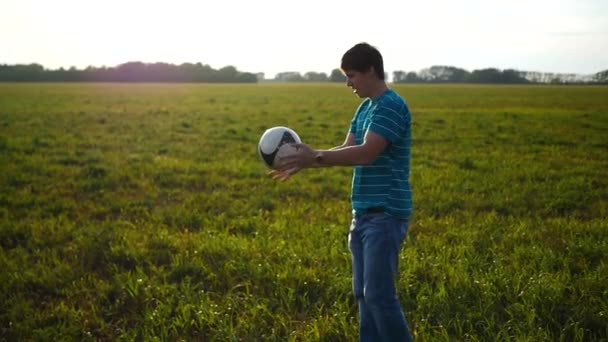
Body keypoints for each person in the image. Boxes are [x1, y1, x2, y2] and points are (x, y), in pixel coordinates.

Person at [271, 42, 414, 341]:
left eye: (351, 75)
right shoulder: (365, 107)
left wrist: (316, 156)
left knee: (378, 295)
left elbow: (367, 153)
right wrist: (307, 162)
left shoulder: (391, 106)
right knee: (363, 295)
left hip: (385, 213)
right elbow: (349, 148)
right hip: (362, 214)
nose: (348, 83)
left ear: (371, 71)